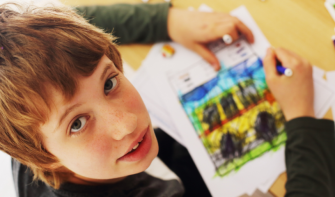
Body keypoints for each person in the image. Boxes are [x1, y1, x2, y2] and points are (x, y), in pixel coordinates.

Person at [0, 2, 332, 197]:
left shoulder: (26, 112)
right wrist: (303, 117)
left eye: (110, 82)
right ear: (41, 157)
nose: (127, 123)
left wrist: (170, 21)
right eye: (78, 123)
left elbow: (76, 17)